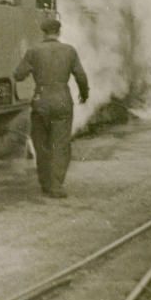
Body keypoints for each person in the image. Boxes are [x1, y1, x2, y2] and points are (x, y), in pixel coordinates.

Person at [14, 17, 89, 198]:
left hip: (41, 101)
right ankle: (56, 185)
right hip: (63, 100)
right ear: (59, 32)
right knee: (60, 144)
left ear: (43, 32)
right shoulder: (69, 51)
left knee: (42, 145)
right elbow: (81, 76)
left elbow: (18, 75)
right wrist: (84, 94)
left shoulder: (34, 51)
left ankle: (45, 183)